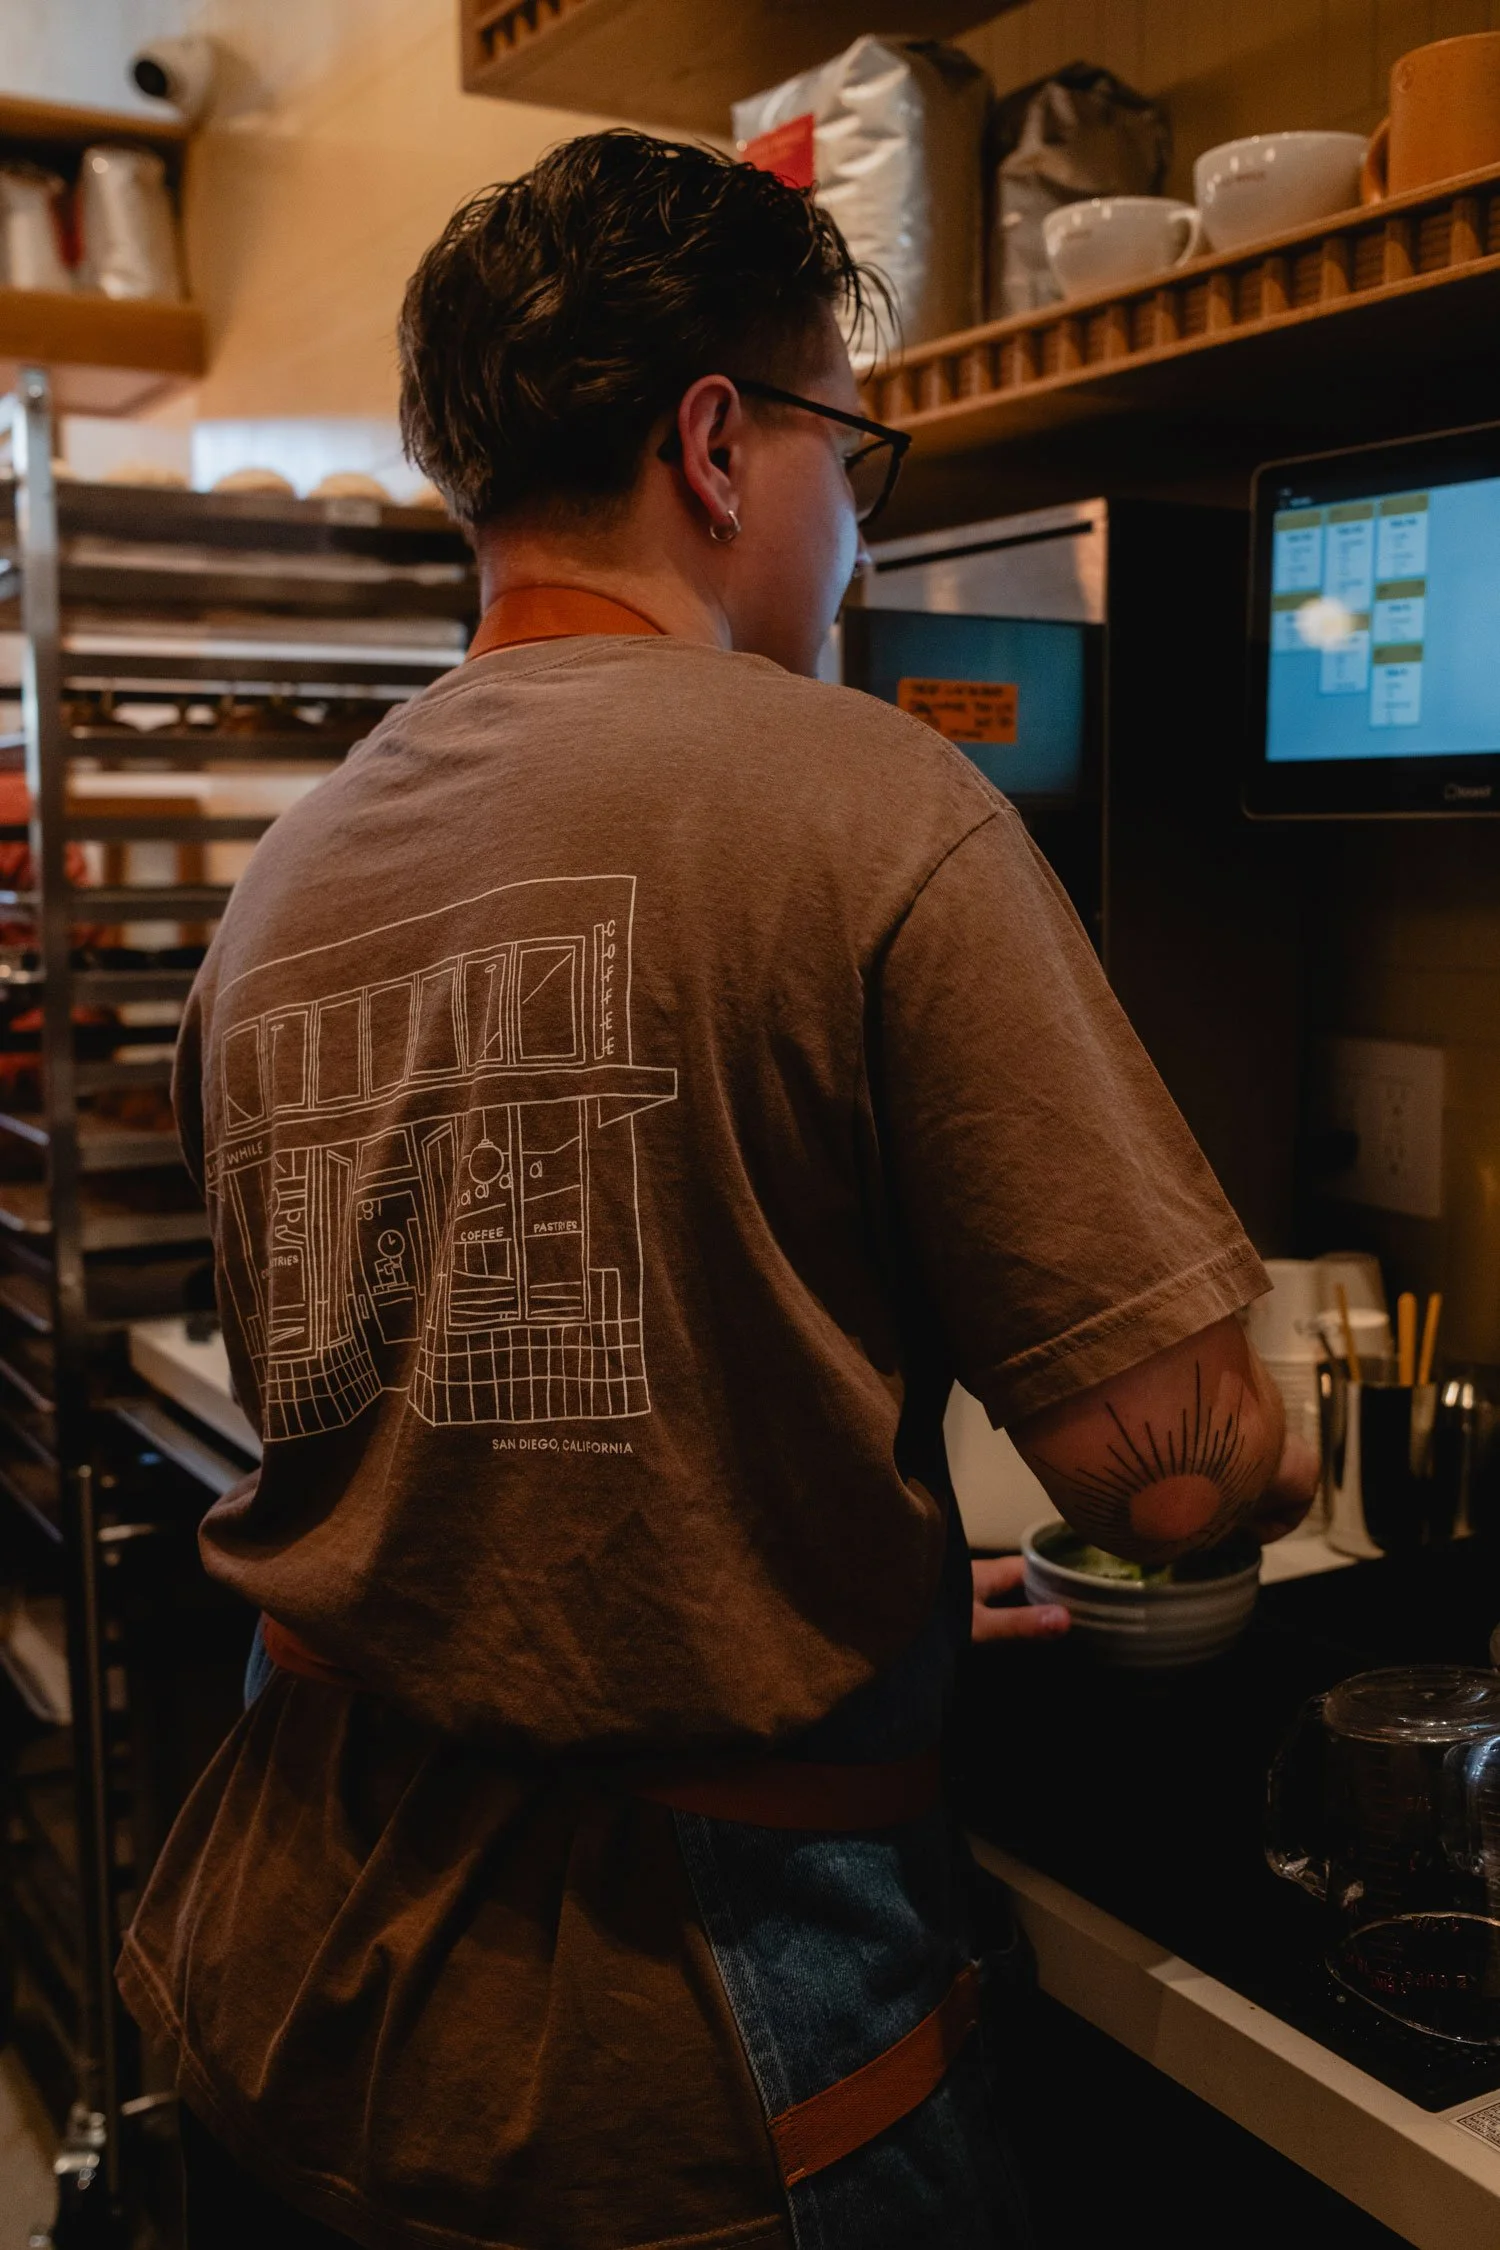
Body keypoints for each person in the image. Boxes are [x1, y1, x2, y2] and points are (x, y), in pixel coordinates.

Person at [118, 130, 1315, 2250]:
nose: (857, 525)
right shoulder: (868, 802)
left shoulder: (282, 888)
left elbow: (474, 1440)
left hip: (275, 1974)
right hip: (683, 2061)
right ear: (716, 445)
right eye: (851, 449)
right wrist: (1277, 1384)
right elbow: (1175, 1478)